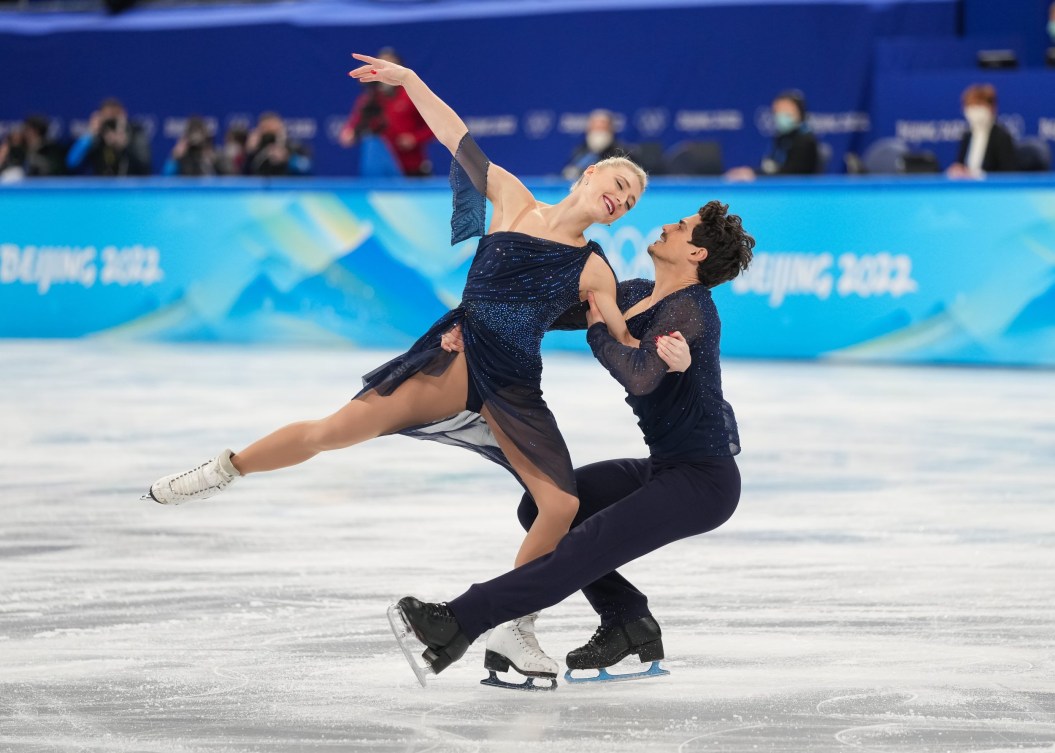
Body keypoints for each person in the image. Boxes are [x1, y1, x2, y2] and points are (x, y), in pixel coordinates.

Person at [143, 52, 651, 668]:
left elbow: (622, 340)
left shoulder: (595, 268)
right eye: (618, 185)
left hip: (515, 387)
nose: (620, 200)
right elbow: (454, 136)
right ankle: (225, 469)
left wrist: (672, 335)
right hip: (453, 362)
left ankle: (515, 626)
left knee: (561, 504)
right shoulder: (514, 200)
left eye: (630, 201)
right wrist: (409, 82)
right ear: (591, 173)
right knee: (333, 431)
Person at [390, 199, 754, 689]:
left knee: (584, 546)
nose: (669, 224)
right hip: (665, 466)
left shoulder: (691, 311)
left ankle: (457, 622)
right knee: (548, 509)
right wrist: (477, 317)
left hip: (702, 483)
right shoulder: (639, 294)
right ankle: (627, 618)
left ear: (698, 255)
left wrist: (600, 330)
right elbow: (552, 313)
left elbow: (642, 376)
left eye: (683, 227)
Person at [339, 47, 434, 177]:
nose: (386, 70)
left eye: (390, 65)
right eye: (381, 64)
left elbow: (434, 125)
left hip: (412, 167)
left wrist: (414, 138)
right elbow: (356, 122)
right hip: (381, 169)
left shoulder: (412, 94)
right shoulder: (370, 98)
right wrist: (349, 132)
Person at [725, 90, 818, 181]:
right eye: (777, 112)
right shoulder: (781, 137)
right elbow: (772, 166)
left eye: (785, 111)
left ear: (799, 112)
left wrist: (755, 175)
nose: (780, 116)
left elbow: (791, 173)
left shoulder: (805, 139)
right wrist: (751, 172)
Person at [946, 84, 1018, 178]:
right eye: (970, 106)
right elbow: (961, 164)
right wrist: (958, 170)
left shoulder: (1001, 136)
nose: (974, 111)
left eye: (978, 105)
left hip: (993, 190)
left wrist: (978, 175)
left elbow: (1008, 173)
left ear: (991, 108)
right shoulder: (967, 135)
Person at [66, 98, 151, 177]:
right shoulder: (96, 137)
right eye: (108, 119)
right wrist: (90, 135)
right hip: (101, 189)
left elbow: (145, 166)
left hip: (130, 190)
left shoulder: (135, 133)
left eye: (114, 118)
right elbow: (71, 163)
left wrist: (125, 146)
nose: (111, 124)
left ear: (123, 116)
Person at [562, 109, 629, 180]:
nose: (598, 133)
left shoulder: (622, 152)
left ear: (611, 130)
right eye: (595, 128)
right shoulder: (580, 151)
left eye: (602, 128)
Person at [243, 112, 312, 177]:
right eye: (266, 130)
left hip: (287, 187)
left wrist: (287, 158)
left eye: (274, 131)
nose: (271, 136)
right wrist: (250, 153)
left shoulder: (294, 147)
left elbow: (306, 168)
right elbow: (241, 176)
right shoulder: (254, 149)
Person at [0, 115, 66, 180]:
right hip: (21, 187)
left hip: (45, 185)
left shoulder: (52, 149)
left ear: (35, 131)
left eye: (26, 129)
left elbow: (53, 171)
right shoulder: (19, 149)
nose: (24, 132)